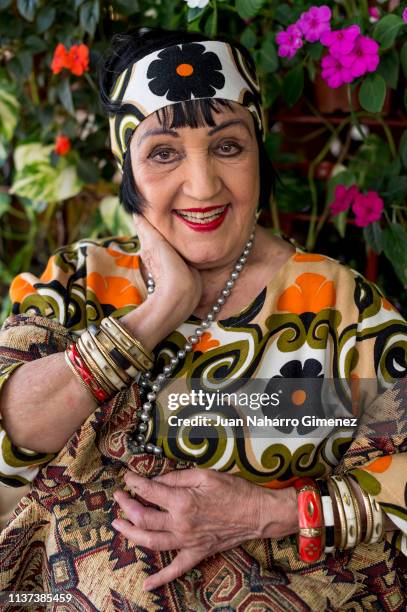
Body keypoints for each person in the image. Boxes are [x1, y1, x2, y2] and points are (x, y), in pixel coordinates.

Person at [0, 26, 406, 611]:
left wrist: (268, 513)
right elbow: (9, 433)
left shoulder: (342, 307)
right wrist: (158, 310)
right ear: (128, 171)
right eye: (163, 153)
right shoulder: (78, 282)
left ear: (258, 154)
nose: (203, 184)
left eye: (227, 146)